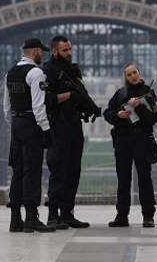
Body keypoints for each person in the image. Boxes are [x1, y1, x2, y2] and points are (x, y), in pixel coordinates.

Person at [43, 35, 100, 229]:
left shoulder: (73, 71)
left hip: (74, 125)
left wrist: (90, 106)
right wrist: (69, 95)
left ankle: (67, 213)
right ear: (54, 51)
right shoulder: (47, 70)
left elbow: (81, 94)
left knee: (73, 171)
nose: (68, 53)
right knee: (58, 170)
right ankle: (53, 215)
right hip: (58, 126)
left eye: (69, 49)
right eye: (64, 50)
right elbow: (46, 100)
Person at [3, 38, 56, 233]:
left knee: (17, 171)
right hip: (31, 123)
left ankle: (15, 219)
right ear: (35, 52)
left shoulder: (10, 73)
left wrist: (15, 125)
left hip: (17, 123)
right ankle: (32, 218)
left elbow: (6, 108)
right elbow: (38, 106)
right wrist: (46, 129)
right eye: (41, 51)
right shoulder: (36, 73)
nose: (42, 55)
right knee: (32, 171)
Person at [103, 62, 157, 228]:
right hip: (123, 140)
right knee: (123, 179)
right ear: (126, 77)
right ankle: (122, 215)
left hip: (141, 139)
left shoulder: (149, 94)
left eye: (134, 72)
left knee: (144, 178)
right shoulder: (120, 93)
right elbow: (107, 113)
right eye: (129, 74)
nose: (133, 76)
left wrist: (139, 107)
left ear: (139, 73)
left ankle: (148, 216)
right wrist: (118, 114)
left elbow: (154, 119)